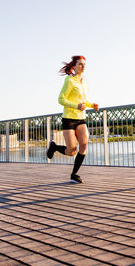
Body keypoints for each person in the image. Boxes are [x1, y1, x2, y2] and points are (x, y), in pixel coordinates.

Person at [46, 55, 99, 184]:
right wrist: (76, 106)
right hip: (69, 119)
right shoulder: (70, 81)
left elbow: (82, 101)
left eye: (84, 64)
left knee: (84, 145)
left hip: (81, 118)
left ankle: (74, 174)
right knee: (71, 151)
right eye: (80, 64)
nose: (83, 66)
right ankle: (54, 147)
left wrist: (91, 105)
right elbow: (61, 99)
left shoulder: (84, 83)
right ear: (74, 67)